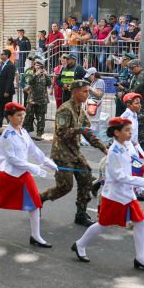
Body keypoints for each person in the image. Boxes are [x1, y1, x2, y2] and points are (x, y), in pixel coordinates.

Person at [71, 117, 144, 272]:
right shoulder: (114, 151)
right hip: (115, 196)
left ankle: (140, 257)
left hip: (127, 194)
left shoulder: (125, 145)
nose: (130, 133)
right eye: (126, 130)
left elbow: (132, 166)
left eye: (130, 130)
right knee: (103, 224)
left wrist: (136, 185)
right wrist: (141, 182)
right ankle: (80, 244)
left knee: (140, 222)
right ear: (117, 132)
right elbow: (119, 176)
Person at [0, 102, 57, 245]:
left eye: (23, 115)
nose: (22, 118)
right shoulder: (7, 136)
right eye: (18, 115)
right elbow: (12, 159)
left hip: (23, 173)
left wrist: (47, 162)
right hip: (9, 174)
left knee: (35, 203)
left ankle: (35, 236)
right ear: (9, 117)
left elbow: (33, 150)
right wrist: (33, 168)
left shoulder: (23, 131)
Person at [40, 80, 108, 226]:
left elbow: (89, 133)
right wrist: (79, 130)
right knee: (64, 187)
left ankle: (81, 214)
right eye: (84, 91)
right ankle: (39, 199)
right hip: (62, 153)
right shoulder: (65, 109)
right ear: (75, 91)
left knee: (86, 178)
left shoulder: (81, 110)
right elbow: (61, 132)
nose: (87, 94)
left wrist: (104, 149)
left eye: (88, 91)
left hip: (75, 152)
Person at [23, 57, 50, 140]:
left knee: (41, 118)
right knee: (28, 116)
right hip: (32, 99)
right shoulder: (31, 73)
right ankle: (25, 132)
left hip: (42, 100)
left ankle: (39, 133)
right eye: (36, 65)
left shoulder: (45, 75)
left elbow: (49, 83)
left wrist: (47, 75)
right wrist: (36, 75)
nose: (37, 67)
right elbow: (29, 81)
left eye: (39, 65)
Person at [125, 59, 144, 150]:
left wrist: (124, 91)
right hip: (134, 105)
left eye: (132, 68)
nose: (131, 70)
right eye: (130, 68)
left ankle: (143, 147)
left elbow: (135, 90)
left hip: (140, 105)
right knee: (134, 125)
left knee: (140, 126)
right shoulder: (136, 75)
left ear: (138, 66)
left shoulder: (142, 76)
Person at [0, 49, 16, 129]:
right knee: (1, 107)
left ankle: (12, 124)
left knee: (8, 108)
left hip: (6, 91)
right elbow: (0, 78)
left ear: (7, 55)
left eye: (2, 54)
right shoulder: (2, 64)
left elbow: (10, 79)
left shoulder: (10, 65)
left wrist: (7, 91)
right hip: (0, 90)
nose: (1, 55)